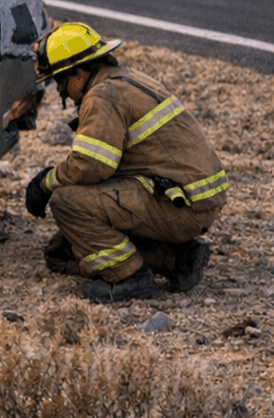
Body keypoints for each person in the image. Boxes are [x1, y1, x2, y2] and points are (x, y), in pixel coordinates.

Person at [25, 22, 228, 303]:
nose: (60, 90)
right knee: (62, 251)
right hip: (191, 199)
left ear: (78, 72)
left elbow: (91, 166)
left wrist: (46, 183)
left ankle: (130, 279)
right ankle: (179, 259)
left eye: (60, 80)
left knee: (66, 202)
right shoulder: (126, 80)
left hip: (180, 204)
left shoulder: (102, 95)